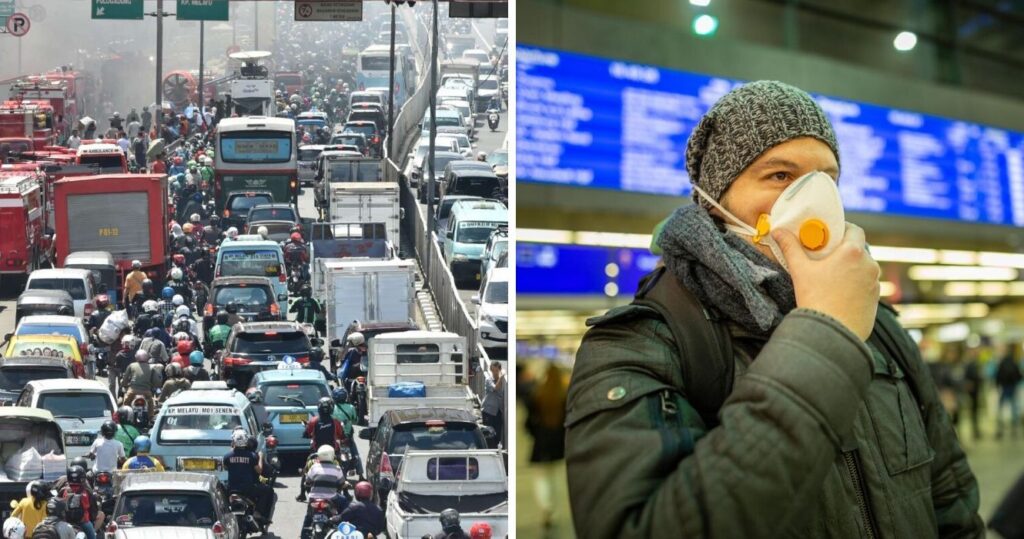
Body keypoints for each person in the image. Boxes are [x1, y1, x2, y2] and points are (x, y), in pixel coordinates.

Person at [565, 80, 983, 538]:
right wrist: (826, 332)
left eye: (827, 179)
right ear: (716, 200)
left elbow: (951, 505)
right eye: (780, 176)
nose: (813, 201)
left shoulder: (879, 326)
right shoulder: (640, 346)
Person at [223, 430, 274, 524]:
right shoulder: (252, 456)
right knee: (268, 490)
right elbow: (259, 470)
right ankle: (258, 512)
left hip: (231, 488)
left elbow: (226, 468)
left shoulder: (227, 456)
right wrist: (261, 456)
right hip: (248, 489)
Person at [301, 445, 346, 537]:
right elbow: (342, 483)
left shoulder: (314, 467)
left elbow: (307, 481)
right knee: (344, 504)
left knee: (308, 516)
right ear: (332, 455)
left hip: (314, 498)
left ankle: (303, 535)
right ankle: (343, 529)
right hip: (331, 498)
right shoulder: (337, 469)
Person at [331, 388, 361, 477]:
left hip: (335, 437)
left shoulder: (332, 408)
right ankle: (361, 474)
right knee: (355, 454)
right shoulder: (351, 407)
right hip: (347, 436)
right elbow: (355, 420)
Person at [58, 466, 96, 539]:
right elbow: (92, 509)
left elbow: (58, 504)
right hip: (84, 521)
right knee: (92, 536)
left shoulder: (63, 490)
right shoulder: (87, 491)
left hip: (66, 521)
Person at [995, 343, 1023, 439]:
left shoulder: (1002, 362)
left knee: (1001, 408)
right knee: (1014, 408)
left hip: (1004, 387)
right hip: (1012, 387)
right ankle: (1014, 429)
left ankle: (1000, 428)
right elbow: (1019, 375)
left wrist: (998, 385)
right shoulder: (1014, 362)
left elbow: (998, 375)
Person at [121, 350, 161, 415]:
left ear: (136, 357)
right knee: (151, 405)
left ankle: (124, 416)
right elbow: (156, 382)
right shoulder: (151, 367)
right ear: (147, 358)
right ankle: (151, 418)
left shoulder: (131, 365)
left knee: (126, 404)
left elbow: (125, 378)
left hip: (133, 391)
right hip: (146, 391)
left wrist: (123, 385)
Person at [480, 362, 504, 449]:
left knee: (497, 435)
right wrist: (501, 377)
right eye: (493, 370)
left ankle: (497, 451)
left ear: (499, 370)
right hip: (488, 410)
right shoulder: (488, 380)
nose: (494, 373)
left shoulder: (504, 382)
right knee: (488, 433)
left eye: (496, 370)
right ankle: (487, 450)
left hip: (498, 411)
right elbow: (495, 388)